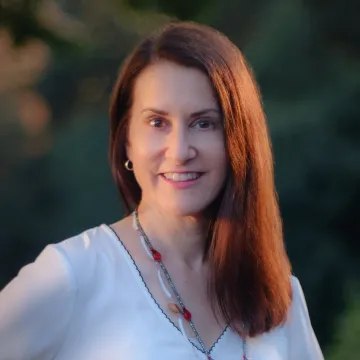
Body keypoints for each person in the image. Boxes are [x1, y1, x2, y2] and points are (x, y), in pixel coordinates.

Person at [0, 21, 324, 360]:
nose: (180, 150)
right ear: (127, 140)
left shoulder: (279, 294)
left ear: (238, 140)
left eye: (204, 123)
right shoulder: (74, 273)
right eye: (157, 123)